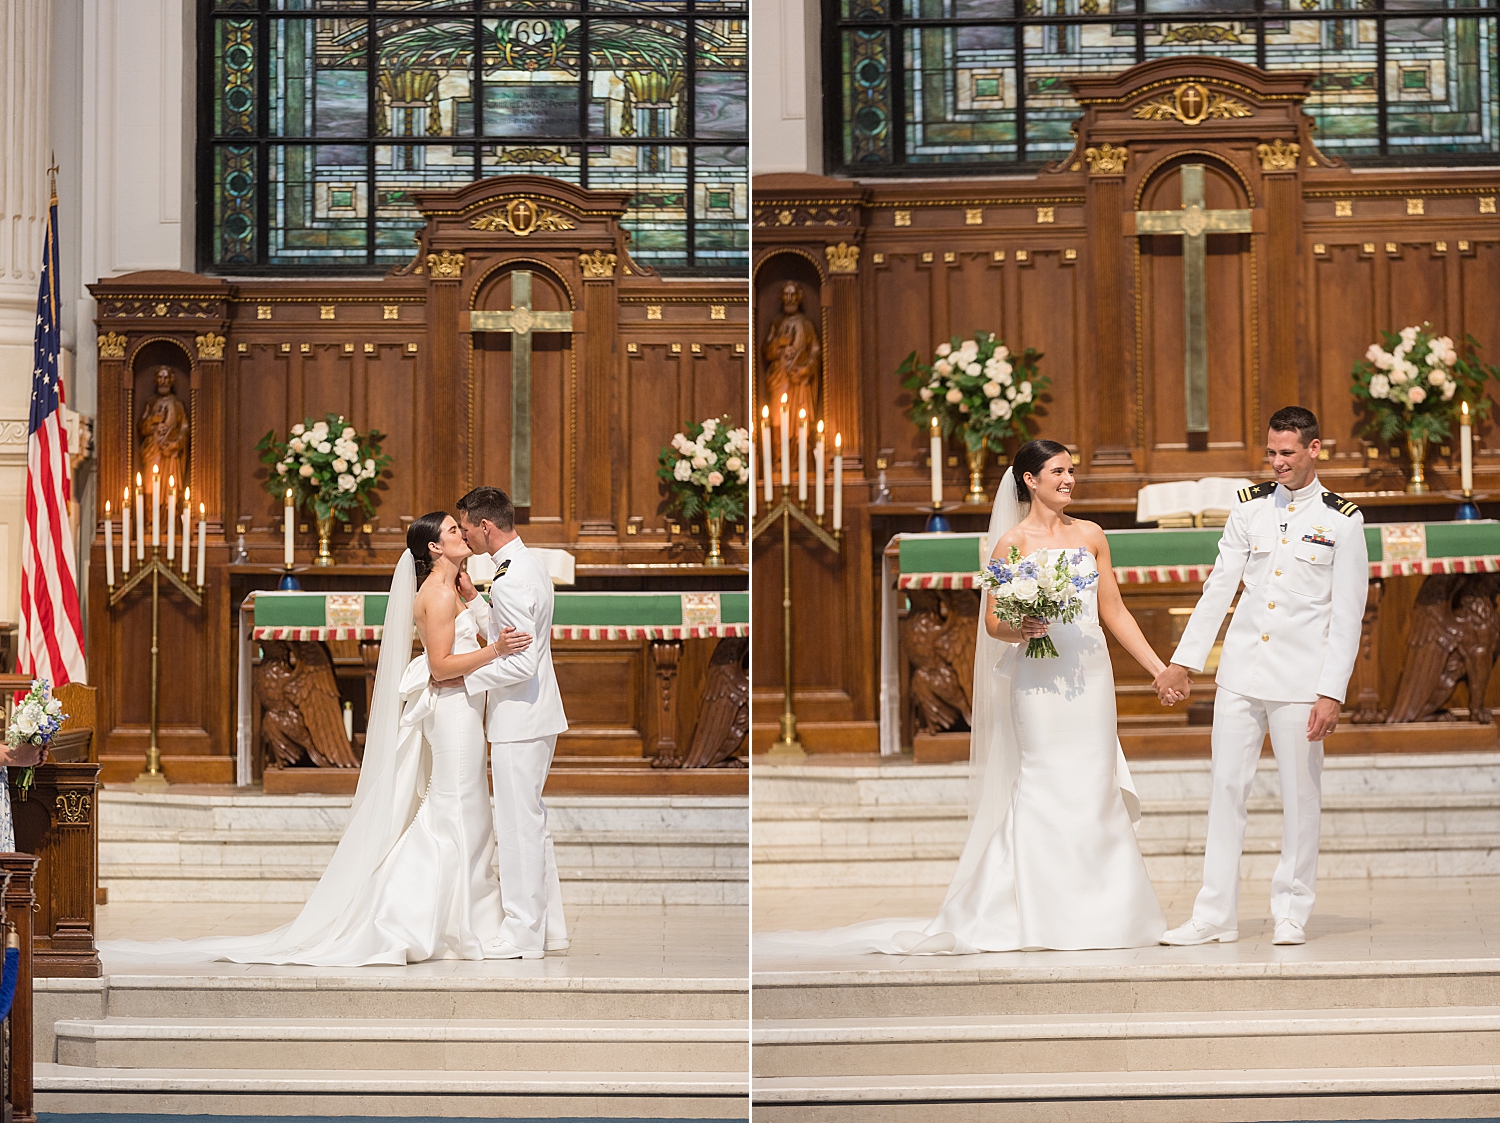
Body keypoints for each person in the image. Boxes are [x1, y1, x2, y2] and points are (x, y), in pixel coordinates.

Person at [759, 439, 1170, 955]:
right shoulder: (1009, 546)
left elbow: (1114, 611)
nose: (1069, 479)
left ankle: (1108, 911)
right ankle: (1031, 913)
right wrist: (1022, 626)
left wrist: (1159, 668)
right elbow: (994, 622)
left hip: (1090, 676)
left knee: (1095, 783)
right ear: (1030, 479)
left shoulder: (1092, 535)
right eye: (1058, 471)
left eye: (1072, 470)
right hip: (1039, 683)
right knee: (1045, 781)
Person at [101, 513, 534, 966]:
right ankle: (417, 916)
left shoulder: (453, 591)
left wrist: (476, 607)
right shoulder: (438, 595)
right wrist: (496, 651)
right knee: (456, 809)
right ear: (434, 549)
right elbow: (442, 666)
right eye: (450, 531)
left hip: (462, 709)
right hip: (451, 710)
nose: (461, 534)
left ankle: (464, 918)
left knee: (466, 810)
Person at [1156, 406, 1367, 947]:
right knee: (1226, 788)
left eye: (1287, 453)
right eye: (1271, 452)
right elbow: (1219, 588)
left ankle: (1292, 910)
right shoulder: (1248, 508)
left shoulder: (1342, 519)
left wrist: (1331, 692)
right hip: (1241, 672)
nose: (1276, 462)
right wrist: (1184, 661)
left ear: (1314, 449)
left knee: (1301, 797)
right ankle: (1214, 915)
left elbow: (1346, 614)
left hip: (1301, 680)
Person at [455, 486, 570, 960]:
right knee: (531, 823)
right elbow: (509, 633)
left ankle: (523, 932)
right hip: (532, 713)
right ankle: (551, 930)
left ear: (485, 527)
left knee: (518, 826)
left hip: (520, 717)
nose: (463, 536)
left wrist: (462, 676)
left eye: (465, 528)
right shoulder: (521, 566)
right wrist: (477, 603)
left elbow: (520, 662)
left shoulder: (510, 578)